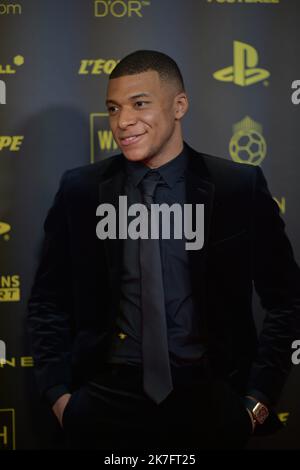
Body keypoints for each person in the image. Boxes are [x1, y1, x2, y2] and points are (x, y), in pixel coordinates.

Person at [27, 50, 300, 451]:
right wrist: (61, 398)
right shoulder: (81, 190)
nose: (123, 122)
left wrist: (256, 401)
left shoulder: (237, 187)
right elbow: (47, 302)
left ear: (179, 106)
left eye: (140, 104)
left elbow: (287, 298)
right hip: (104, 401)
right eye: (113, 108)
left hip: (210, 401)